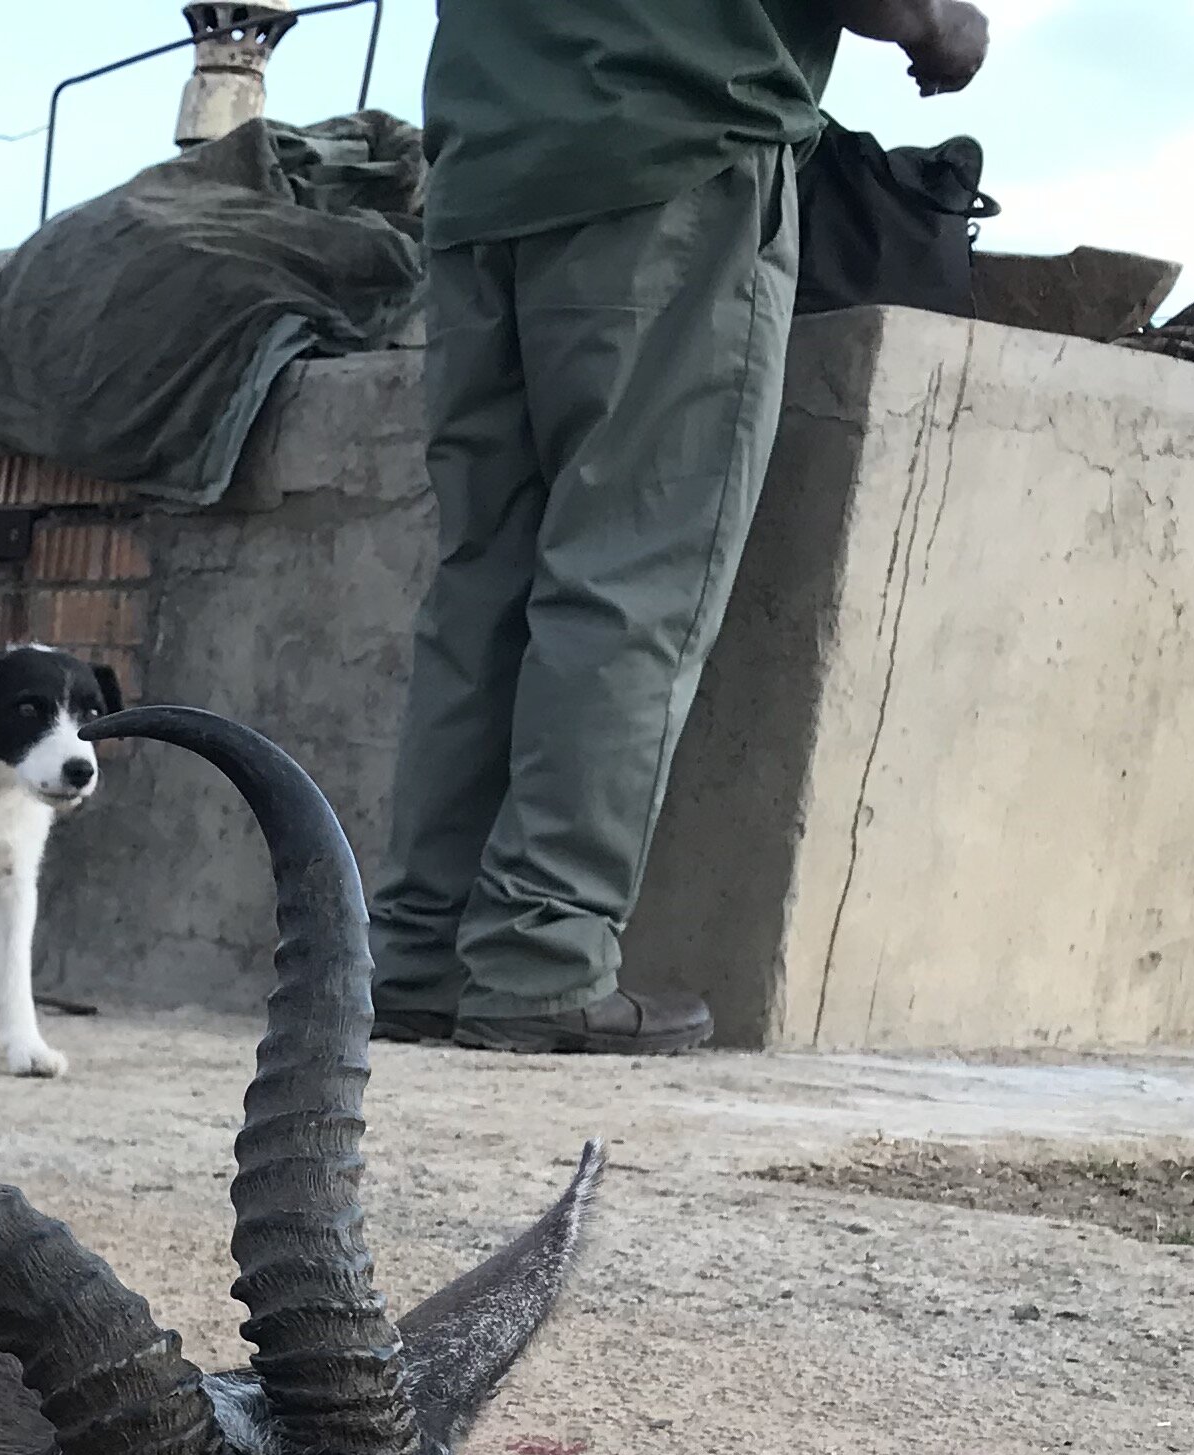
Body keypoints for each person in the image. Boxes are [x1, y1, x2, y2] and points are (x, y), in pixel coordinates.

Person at [369, 0, 989, 1055]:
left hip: (484, 179)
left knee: (482, 585)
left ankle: (420, 959)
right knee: (631, 569)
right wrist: (939, 26)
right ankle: (540, 959)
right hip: (670, 156)